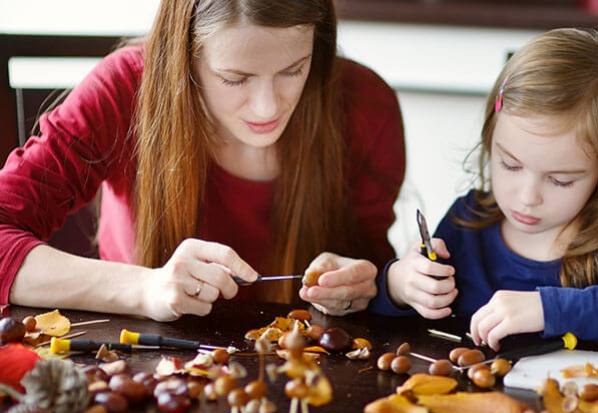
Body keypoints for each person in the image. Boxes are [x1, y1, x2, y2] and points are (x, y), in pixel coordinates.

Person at [0, 0, 405, 321]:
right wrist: (145, 289)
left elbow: (375, 267)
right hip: (145, 369)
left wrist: (363, 284)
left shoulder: (366, 105)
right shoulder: (123, 89)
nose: (267, 108)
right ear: (184, 58)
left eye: (293, 70)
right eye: (235, 78)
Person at [371, 28, 598, 351]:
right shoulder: (467, 220)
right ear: (491, 140)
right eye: (510, 164)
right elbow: (396, 316)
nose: (527, 197)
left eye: (560, 180)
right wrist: (400, 286)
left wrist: (550, 308)